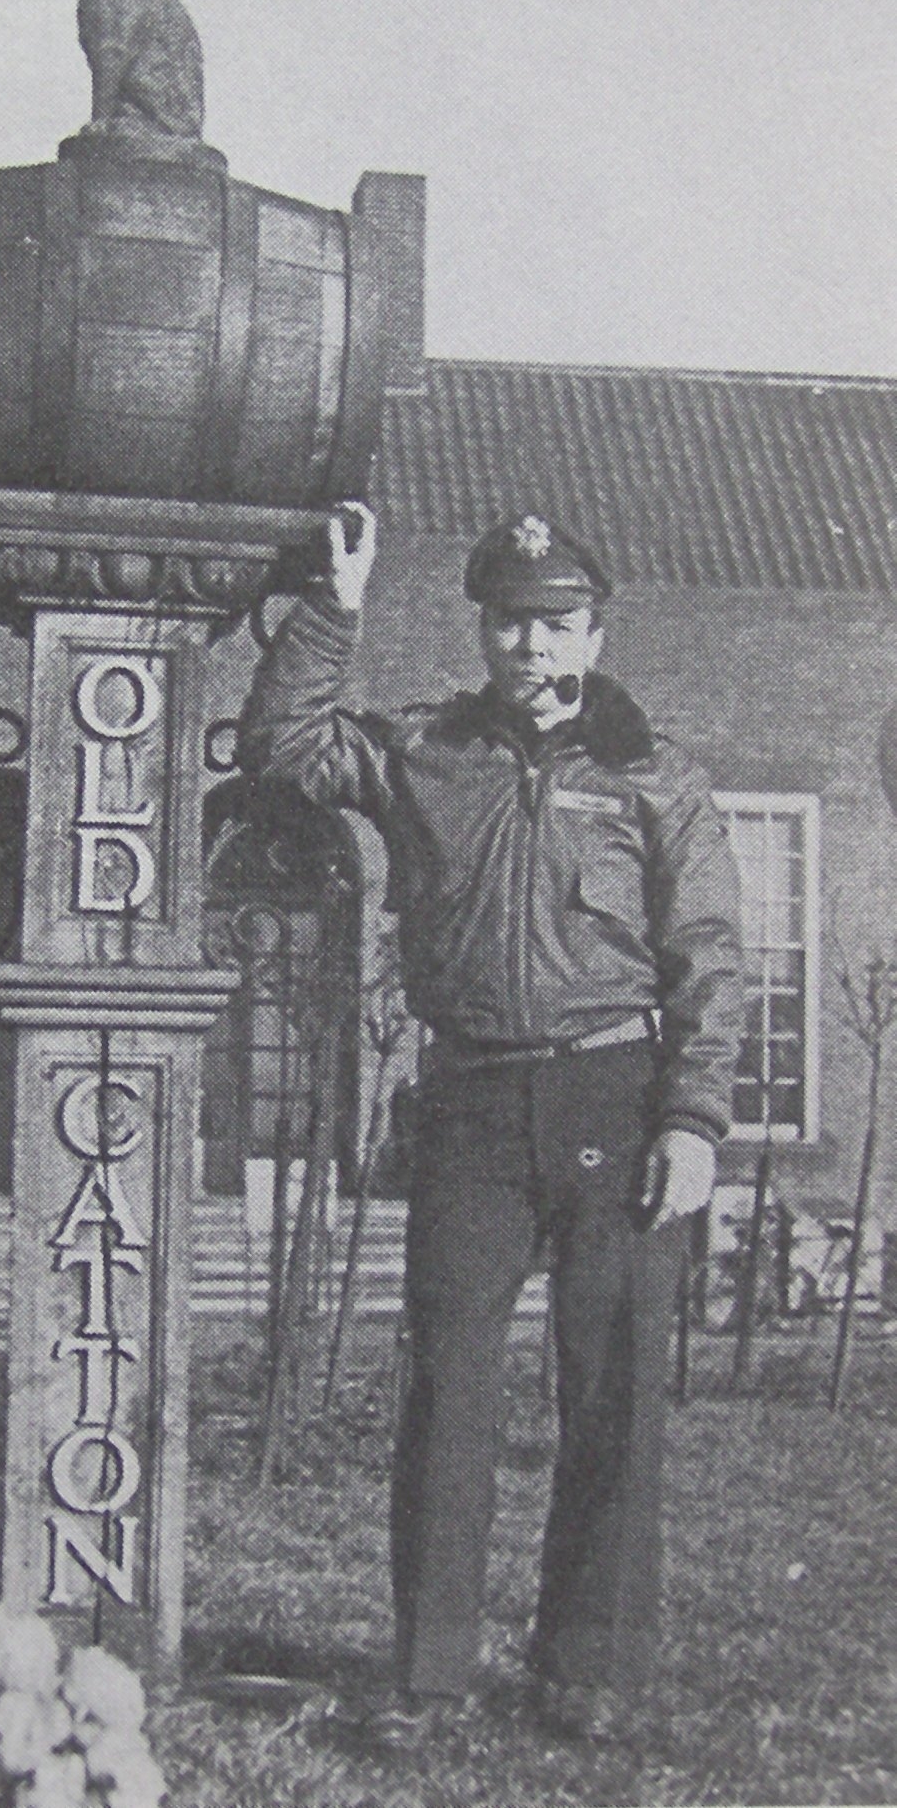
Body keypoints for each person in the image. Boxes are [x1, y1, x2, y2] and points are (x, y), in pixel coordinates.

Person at [239, 502, 743, 1743]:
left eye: (558, 625)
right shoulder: (424, 752)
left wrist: (695, 1118)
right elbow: (284, 746)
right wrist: (334, 606)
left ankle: (589, 1669)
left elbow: (709, 958)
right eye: (512, 625)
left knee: (611, 1387)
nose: (533, 648)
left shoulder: (655, 776)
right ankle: (428, 1674)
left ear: (595, 633)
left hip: (617, 1098)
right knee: (449, 1386)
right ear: (484, 631)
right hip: (469, 1101)